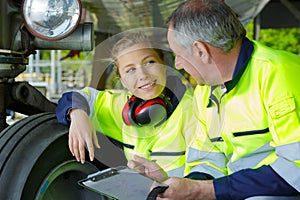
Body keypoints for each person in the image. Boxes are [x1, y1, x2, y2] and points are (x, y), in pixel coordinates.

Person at [127, 0, 300, 199]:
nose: (178, 64)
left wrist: (202, 190)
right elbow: (207, 159)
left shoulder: (280, 75)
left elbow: (295, 170)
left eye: (178, 55)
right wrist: (183, 189)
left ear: (201, 50)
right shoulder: (204, 92)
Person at [56, 31, 195, 177]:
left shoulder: (192, 109)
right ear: (122, 80)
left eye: (149, 62)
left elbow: (205, 173)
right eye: (130, 70)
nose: (143, 75)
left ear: (164, 64)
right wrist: (77, 113)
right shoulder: (120, 105)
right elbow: (74, 97)